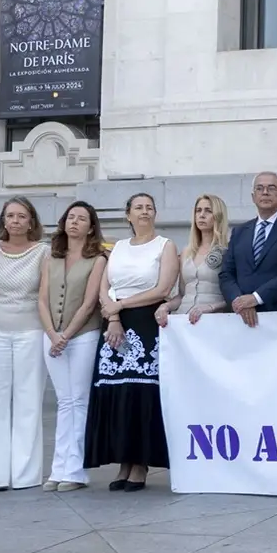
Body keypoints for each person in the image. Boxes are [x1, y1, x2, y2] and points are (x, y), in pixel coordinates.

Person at [87, 193, 180, 491]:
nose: (144, 212)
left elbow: (162, 288)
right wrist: (113, 317)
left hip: (145, 321)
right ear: (127, 214)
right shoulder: (118, 248)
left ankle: (140, 464)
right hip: (116, 324)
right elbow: (105, 287)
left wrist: (121, 307)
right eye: (138, 208)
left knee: (141, 391)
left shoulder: (165, 246)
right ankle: (123, 461)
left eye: (149, 207)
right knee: (117, 390)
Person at [0, 196, 48, 492]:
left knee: (29, 400)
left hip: (31, 330)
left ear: (32, 221)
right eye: (10, 216)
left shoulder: (43, 252)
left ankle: (26, 474)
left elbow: (44, 293)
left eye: (22, 216)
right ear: (3, 221)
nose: (15, 221)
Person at [39, 200, 108, 492]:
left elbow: (90, 302)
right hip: (52, 336)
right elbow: (41, 299)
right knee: (63, 401)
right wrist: (53, 335)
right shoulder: (50, 257)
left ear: (91, 227)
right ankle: (58, 468)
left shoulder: (99, 259)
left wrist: (66, 335)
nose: (75, 222)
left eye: (81, 219)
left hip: (83, 336)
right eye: (71, 217)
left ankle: (76, 471)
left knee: (79, 402)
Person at [220, 171, 277, 327]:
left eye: (271, 188)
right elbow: (226, 273)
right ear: (253, 196)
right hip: (241, 319)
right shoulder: (239, 231)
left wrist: (256, 298)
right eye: (259, 188)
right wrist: (240, 301)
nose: (265, 192)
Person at [166, 193, 230, 323]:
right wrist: (165, 306)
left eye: (208, 211)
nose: (201, 215)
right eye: (198, 210)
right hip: (184, 318)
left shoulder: (228, 251)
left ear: (218, 216)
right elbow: (182, 294)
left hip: (215, 319)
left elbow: (235, 296)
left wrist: (211, 307)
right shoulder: (186, 251)